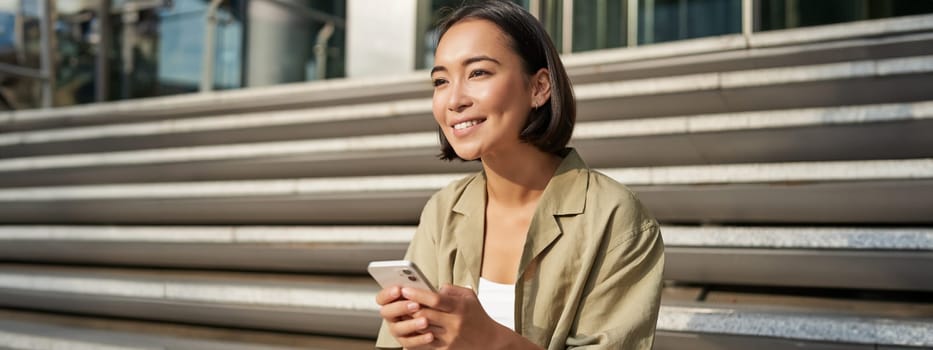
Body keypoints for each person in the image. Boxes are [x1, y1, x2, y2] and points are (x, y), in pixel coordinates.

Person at [375, 1, 664, 349]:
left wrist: (490, 341)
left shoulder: (614, 217)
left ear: (539, 87)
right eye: (440, 80)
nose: (454, 100)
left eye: (478, 73)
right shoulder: (444, 209)